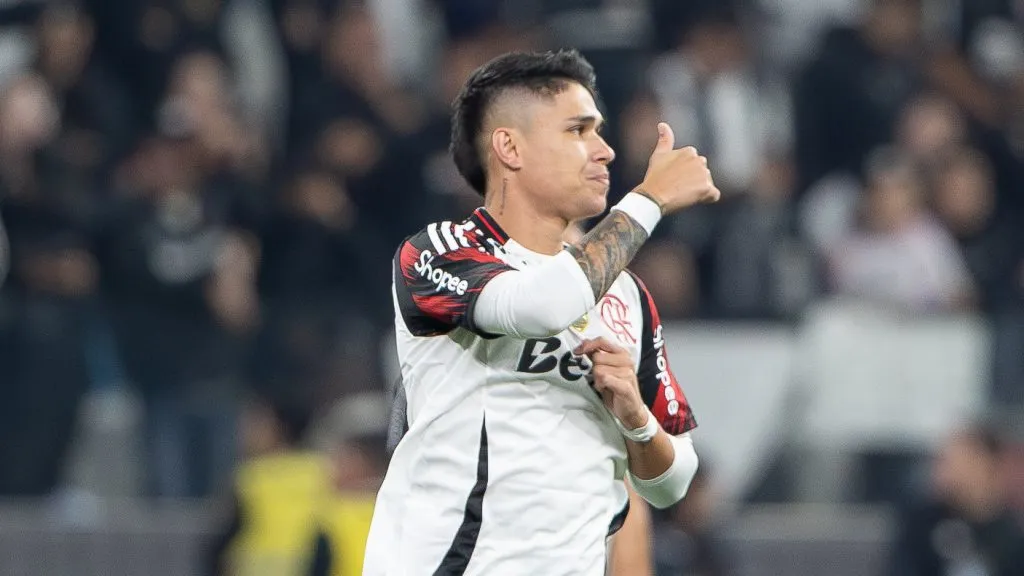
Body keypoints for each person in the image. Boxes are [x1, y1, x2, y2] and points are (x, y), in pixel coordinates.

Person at [363, 48, 720, 575]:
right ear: (509, 147)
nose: (605, 151)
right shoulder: (440, 252)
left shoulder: (625, 295)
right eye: (578, 131)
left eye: (599, 132)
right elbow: (542, 305)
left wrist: (635, 418)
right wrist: (649, 199)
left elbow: (674, 481)